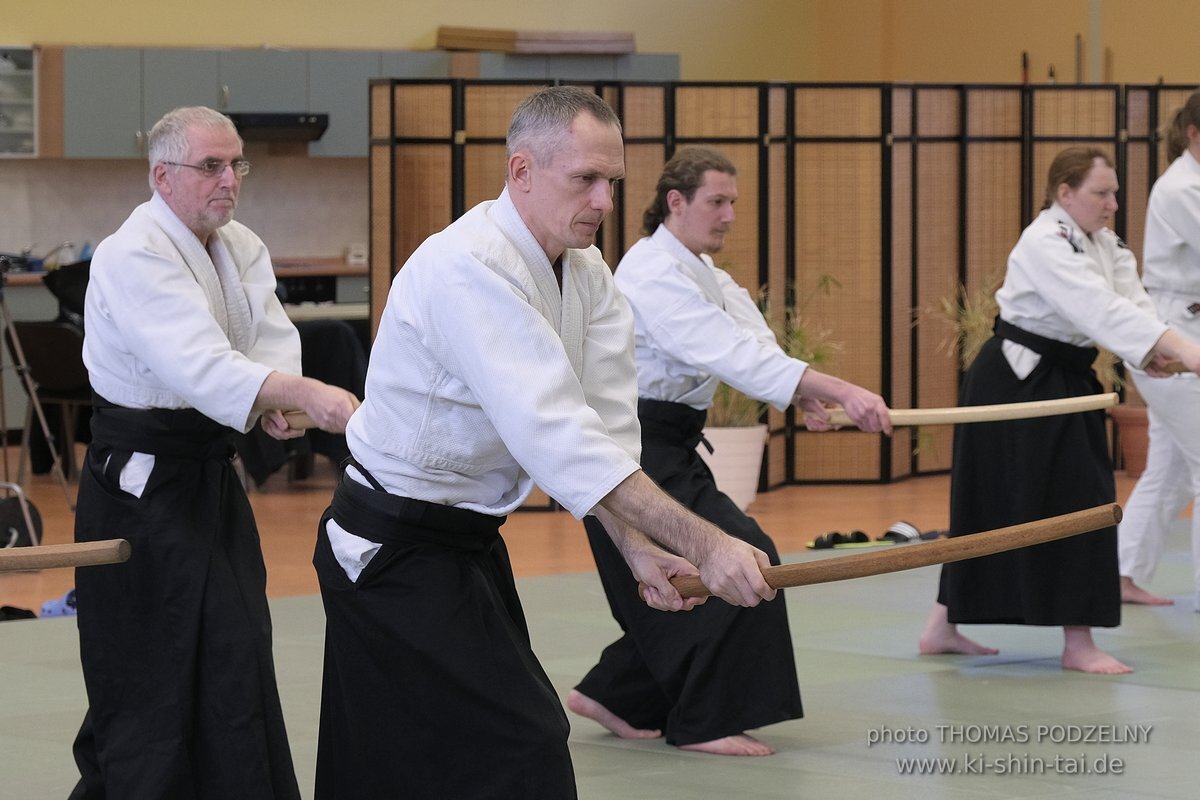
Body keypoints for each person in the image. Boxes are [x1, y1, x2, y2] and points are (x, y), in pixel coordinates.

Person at [312, 87, 777, 800]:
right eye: (584, 180)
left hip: (465, 542)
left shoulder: (587, 276)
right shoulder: (469, 266)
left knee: (436, 751)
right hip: (390, 544)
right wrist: (707, 544)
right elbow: (552, 431)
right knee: (512, 739)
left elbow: (607, 427)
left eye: (612, 182)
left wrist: (636, 546)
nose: (605, 200)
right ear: (522, 170)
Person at [70, 106, 359, 799]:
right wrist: (301, 393)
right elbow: (195, 364)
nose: (229, 179)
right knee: (150, 667)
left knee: (235, 649)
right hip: (139, 487)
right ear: (161, 176)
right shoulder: (132, 252)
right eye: (211, 166)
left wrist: (280, 408)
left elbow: (266, 335)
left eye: (237, 165)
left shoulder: (241, 245)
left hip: (207, 476)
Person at [566, 146, 891, 757]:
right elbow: (720, 348)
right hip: (631, 448)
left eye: (733, 203)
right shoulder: (649, 271)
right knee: (743, 559)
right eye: (717, 201)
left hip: (670, 444)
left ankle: (617, 694)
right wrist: (838, 389)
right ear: (676, 202)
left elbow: (753, 344)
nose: (729, 215)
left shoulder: (708, 274)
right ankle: (705, 721)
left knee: (688, 577)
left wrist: (802, 395)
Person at [916, 146, 1200, 674]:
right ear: (1064, 193)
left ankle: (1049, 634)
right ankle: (1048, 639)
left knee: (1080, 499)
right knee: (1001, 502)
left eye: (1114, 192)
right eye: (1101, 193)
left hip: (1065, 378)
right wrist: (1183, 348)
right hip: (1014, 380)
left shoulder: (1104, 242)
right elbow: (1095, 306)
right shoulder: (1043, 241)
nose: (1113, 203)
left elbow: (1132, 303)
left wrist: (1159, 351)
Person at [1118, 88, 1200, 610]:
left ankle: (1122, 575)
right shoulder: (1179, 189)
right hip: (1172, 341)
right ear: (1194, 134)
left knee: (1168, 470)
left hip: (1178, 336)